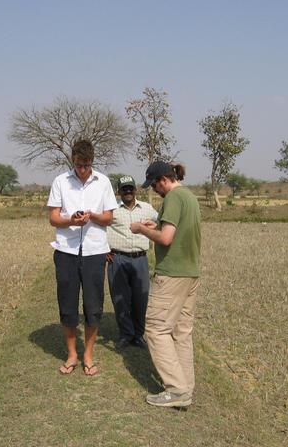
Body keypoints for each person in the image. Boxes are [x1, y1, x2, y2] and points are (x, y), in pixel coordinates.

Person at [130, 161, 201, 408]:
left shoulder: (172, 197)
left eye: (155, 185)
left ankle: (177, 390)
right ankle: (186, 386)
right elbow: (172, 230)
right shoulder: (189, 197)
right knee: (181, 331)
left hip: (171, 274)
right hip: (190, 273)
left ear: (163, 179)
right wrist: (155, 226)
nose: (156, 191)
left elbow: (166, 238)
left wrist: (141, 229)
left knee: (156, 329)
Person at [47, 139, 117, 376]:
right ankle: (72, 354)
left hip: (95, 252)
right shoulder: (60, 182)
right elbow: (53, 218)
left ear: (92, 161)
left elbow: (109, 218)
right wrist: (71, 221)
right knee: (67, 305)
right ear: (73, 161)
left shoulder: (103, 182)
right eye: (78, 165)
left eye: (86, 165)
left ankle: (88, 354)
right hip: (66, 250)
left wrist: (92, 216)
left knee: (93, 305)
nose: (83, 169)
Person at [107, 175, 158, 350]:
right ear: (118, 191)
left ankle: (138, 335)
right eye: (124, 189)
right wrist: (104, 249)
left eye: (130, 188)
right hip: (117, 258)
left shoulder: (147, 208)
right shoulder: (111, 209)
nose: (128, 191)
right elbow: (98, 228)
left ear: (135, 190)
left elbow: (162, 223)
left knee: (140, 298)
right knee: (120, 299)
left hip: (140, 260)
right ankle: (125, 334)